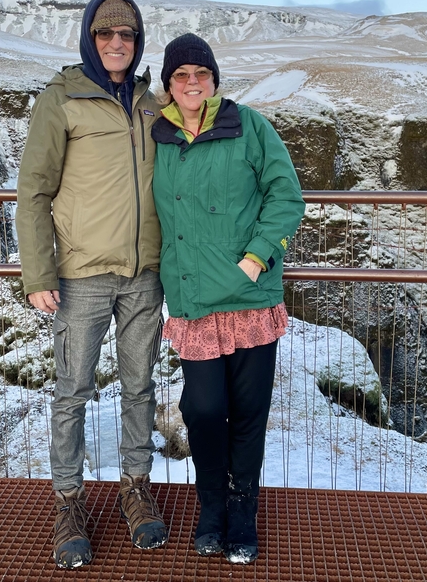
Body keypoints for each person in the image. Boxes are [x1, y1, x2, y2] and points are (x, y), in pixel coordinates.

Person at [16, 0, 167, 569]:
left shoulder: (152, 106)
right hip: (80, 274)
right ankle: (68, 501)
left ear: (137, 41)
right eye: (105, 34)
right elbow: (33, 190)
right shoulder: (61, 101)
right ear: (89, 37)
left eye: (126, 35)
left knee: (140, 385)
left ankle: (134, 486)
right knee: (72, 391)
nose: (116, 44)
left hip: (143, 273)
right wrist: (38, 271)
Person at [150, 33, 305, 564]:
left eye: (202, 73)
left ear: (214, 80)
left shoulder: (249, 126)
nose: (192, 83)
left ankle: (241, 512)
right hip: (193, 301)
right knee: (202, 408)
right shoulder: (159, 137)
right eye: (181, 75)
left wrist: (259, 254)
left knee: (247, 412)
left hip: (249, 298)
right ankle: (209, 504)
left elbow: (286, 194)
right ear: (168, 86)